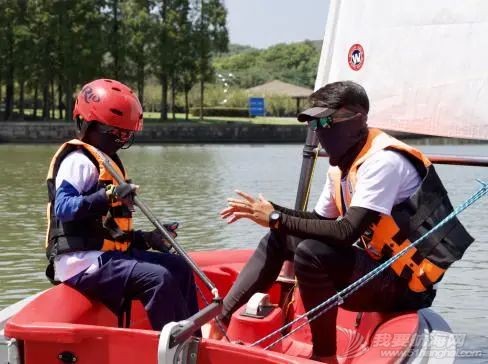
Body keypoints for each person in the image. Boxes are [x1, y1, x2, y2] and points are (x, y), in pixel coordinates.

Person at [217, 81, 473, 362]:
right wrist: (267, 211)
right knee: (280, 237)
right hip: (377, 269)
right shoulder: (342, 166)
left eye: (327, 121)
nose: (320, 131)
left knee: (311, 253)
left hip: (406, 287)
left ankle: (324, 355)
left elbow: (345, 232)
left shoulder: (383, 162)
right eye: (314, 123)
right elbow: (317, 221)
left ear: (358, 119)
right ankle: (220, 323)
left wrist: (276, 217)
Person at [45, 78, 198, 331]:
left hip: (105, 256)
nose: (123, 139)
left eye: (127, 133)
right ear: (90, 124)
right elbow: (64, 208)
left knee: (179, 267)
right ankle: (173, 352)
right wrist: (109, 195)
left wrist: (148, 239)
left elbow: (107, 232)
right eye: (117, 132)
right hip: (82, 264)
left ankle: (194, 342)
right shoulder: (78, 161)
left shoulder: (107, 161)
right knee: (159, 279)